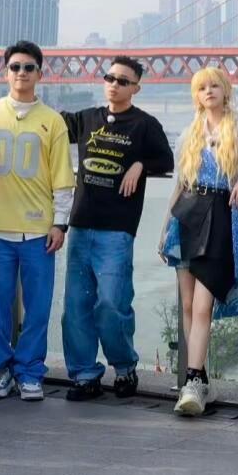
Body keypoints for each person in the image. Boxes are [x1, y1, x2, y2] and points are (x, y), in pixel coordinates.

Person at [59, 56, 174, 402]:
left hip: (117, 229)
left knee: (113, 302)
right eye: (109, 77)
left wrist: (140, 164)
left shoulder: (145, 125)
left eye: (123, 81)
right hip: (81, 224)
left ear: (136, 88)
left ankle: (124, 368)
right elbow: (45, 125)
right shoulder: (86, 118)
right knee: (76, 306)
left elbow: (167, 160)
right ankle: (84, 375)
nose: (114, 84)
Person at [0, 41, 75, 402]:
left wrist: (60, 223)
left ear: (39, 74)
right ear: (5, 73)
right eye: (15, 67)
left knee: (38, 308)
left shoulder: (53, 121)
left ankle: (30, 372)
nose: (21, 73)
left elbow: (63, 179)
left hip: (38, 231)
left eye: (29, 67)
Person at [159, 67, 238, 417]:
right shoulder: (190, 131)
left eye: (215, 85)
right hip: (186, 214)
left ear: (226, 89)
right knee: (188, 305)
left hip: (220, 215)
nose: (209, 91)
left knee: (204, 306)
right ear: (196, 95)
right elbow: (179, 182)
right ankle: (198, 379)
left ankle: (191, 381)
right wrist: (164, 229)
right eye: (202, 87)